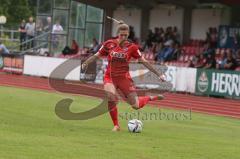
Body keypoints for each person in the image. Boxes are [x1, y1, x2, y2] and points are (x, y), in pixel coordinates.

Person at [81, 21, 166, 131]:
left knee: (135, 105)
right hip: (110, 77)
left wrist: (159, 74)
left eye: (126, 35)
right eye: (121, 35)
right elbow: (97, 55)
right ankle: (116, 125)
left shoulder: (132, 47)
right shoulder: (109, 44)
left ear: (128, 34)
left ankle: (151, 97)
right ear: (118, 34)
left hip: (124, 78)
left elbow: (144, 61)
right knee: (111, 97)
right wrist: (85, 63)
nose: (124, 37)